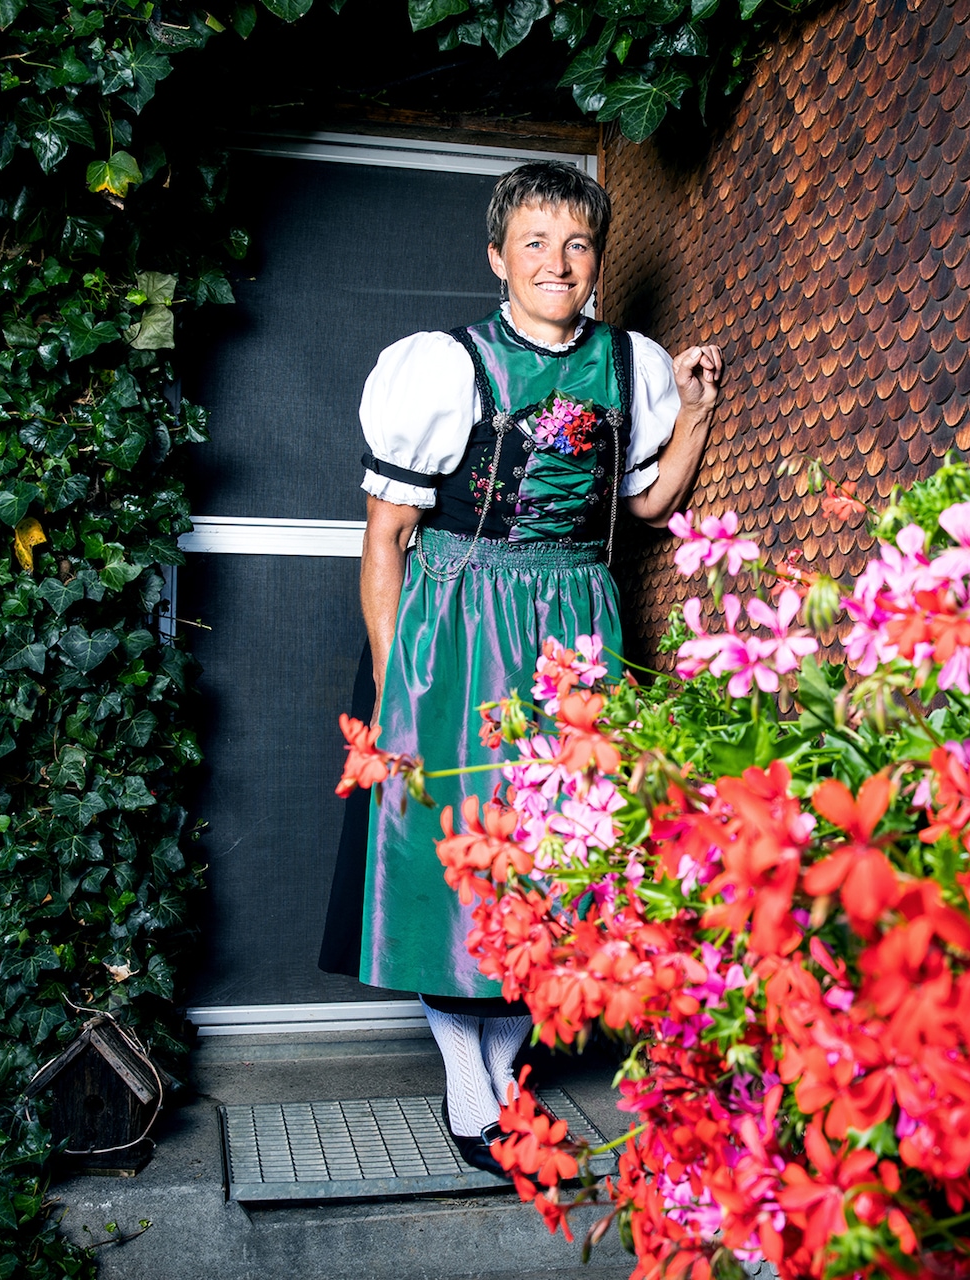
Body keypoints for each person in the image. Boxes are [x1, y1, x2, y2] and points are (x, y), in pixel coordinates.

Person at [332, 161, 720, 1174]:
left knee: (560, 857)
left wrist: (696, 411)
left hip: (576, 624)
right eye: (536, 243)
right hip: (460, 628)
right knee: (456, 851)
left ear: (597, 260)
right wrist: (391, 687)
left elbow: (641, 507)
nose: (559, 262)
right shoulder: (447, 365)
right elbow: (387, 536)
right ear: (498, 257)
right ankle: (476, 1080)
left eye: (578, 243)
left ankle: (493, 1069)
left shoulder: (626, 362)